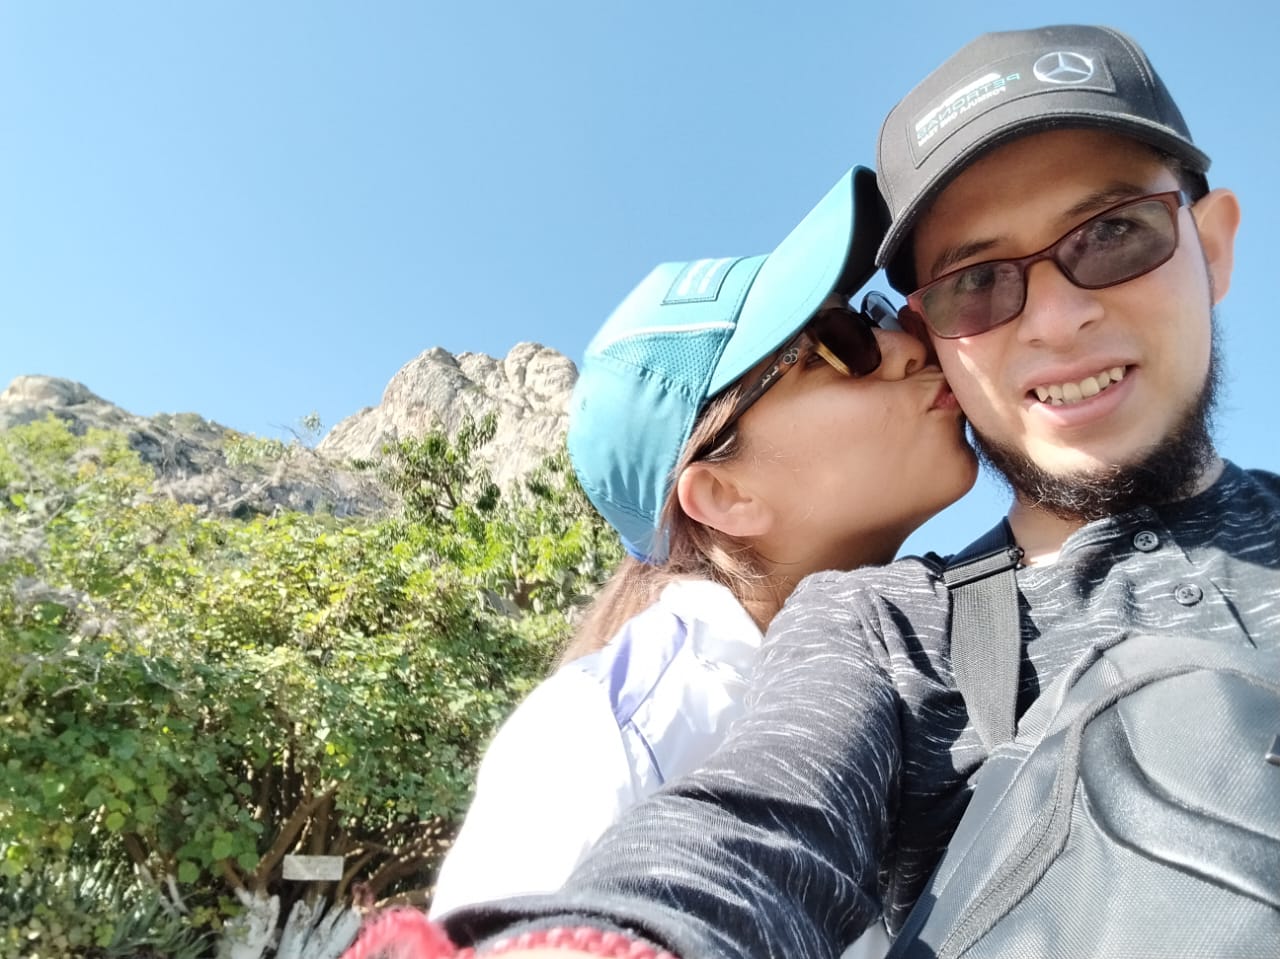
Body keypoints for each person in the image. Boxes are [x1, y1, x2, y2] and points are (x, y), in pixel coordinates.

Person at [345, 23, 1279, 959]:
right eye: (843, 344)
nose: (1057, 316)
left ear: (1214, 248)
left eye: (1114, 234)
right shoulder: (842, 643)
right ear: (722, 496)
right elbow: (754, 828)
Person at [424, 166, 977, 959]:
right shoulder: (601, 734)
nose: (905, 343)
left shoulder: (937, 652)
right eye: (839, 345)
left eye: (871, 315)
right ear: (724, 494)